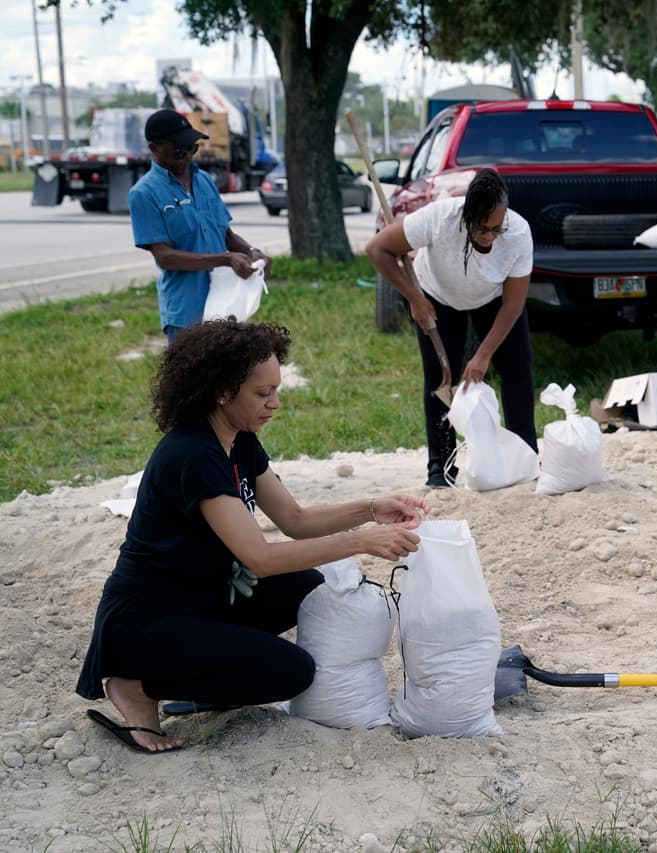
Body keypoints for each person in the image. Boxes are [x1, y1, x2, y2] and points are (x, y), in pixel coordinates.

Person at [76, 319, 428, 753]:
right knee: (291, 672)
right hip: (147, 621)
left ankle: (204, 672)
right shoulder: (193, 453)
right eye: (263, 394)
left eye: (276, 390)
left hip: (200, 600)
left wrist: (371, 509)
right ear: (223, 391)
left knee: (306, 585)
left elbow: (295, 519)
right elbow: (259, 557)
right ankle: (137, 684)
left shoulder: (238, 440)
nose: (275, 403)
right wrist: (362, 541)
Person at [366, 168, 536, 487]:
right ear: (466, 214)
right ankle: (441, 468)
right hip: (437, 295)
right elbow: (377, 249)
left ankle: (525, 458)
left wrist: (483, 354)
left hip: (493, 297)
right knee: (440, 377)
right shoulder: (440, 217)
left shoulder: (518, 234)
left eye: (495, 228)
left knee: (517, 367)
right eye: (481, 228)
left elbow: (514, 304)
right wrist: (414, 298)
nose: (488, 236)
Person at [129, 109, 271, 342]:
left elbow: (226, 234)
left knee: (227, 376)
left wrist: (251, 252)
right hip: (187, 312)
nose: (186, 156)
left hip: (225, 303)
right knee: (192, 378)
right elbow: (165, 257)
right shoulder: (144, 194)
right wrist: (225, 259)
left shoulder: (204, 180)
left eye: (192, 148)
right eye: (179, 150)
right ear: (155, 148)